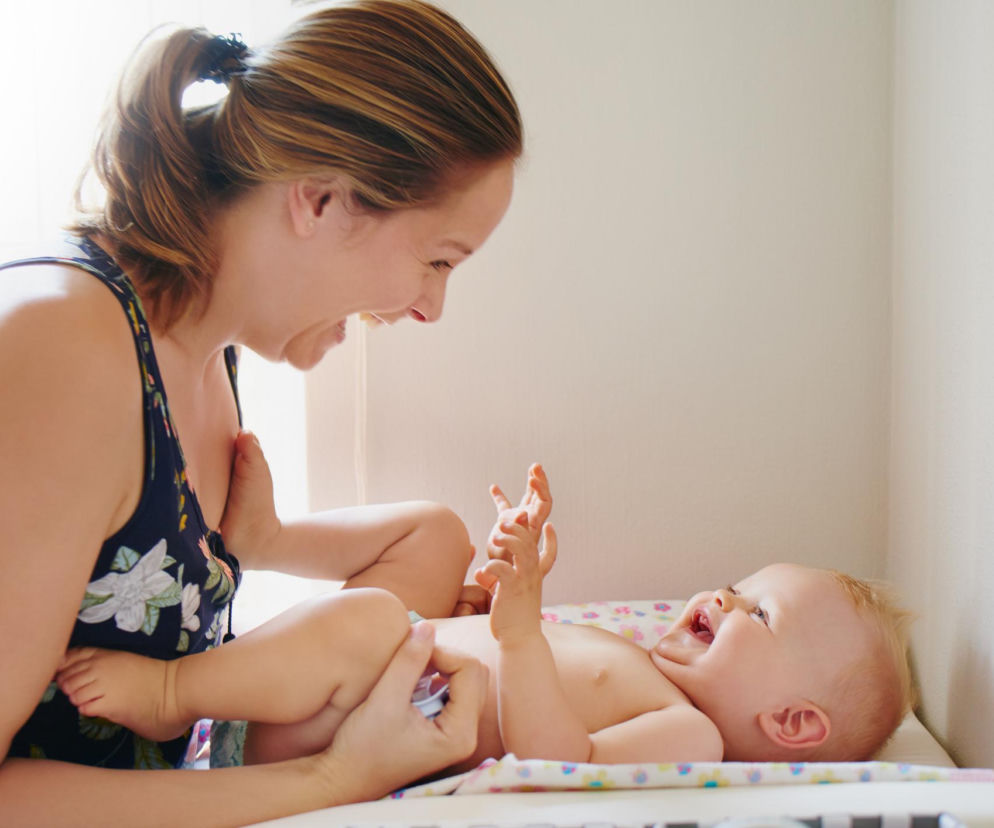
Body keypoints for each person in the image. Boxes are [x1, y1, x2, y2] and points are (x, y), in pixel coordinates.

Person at [0, 0, 523, 823]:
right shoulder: (63, 347)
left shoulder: (207, 348)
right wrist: (329, 782)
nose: (430, 309)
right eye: (437, 259)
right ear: (320, 200)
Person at [55, 460, 915, 776]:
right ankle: (265, 539)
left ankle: (175, 692)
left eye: (757, 611)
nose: (721, 597)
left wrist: (516, 629)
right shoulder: (644, 663)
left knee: (368, 623)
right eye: (735, 583)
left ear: (793, 722)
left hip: (337, 722)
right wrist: (497, 586)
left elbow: (557, 760)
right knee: (436, 534)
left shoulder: (690, 738)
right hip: (363, 672)